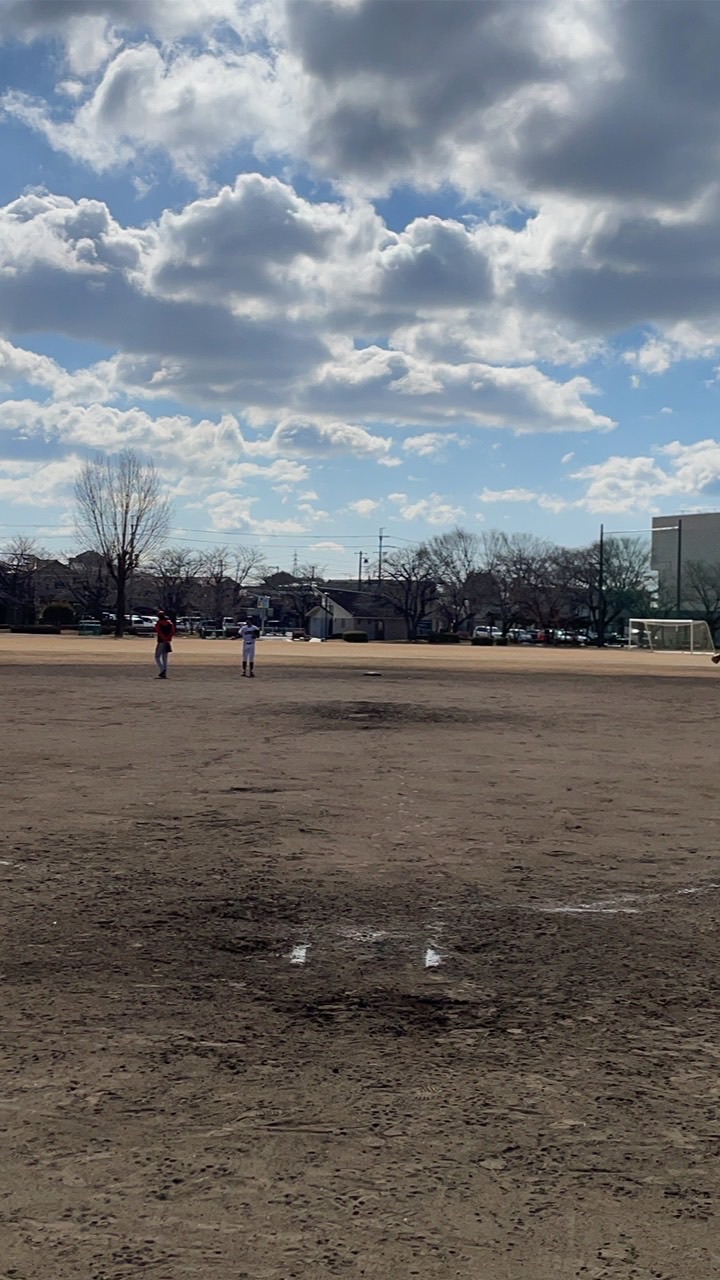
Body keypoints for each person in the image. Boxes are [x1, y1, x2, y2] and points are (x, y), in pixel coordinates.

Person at [154, 610, 175, 679]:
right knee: (165, 657)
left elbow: (159, 632)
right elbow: (172, 632)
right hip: (168, 642)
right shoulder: (170, 623)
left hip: (161, 641)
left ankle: (162, 669)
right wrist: (167, 639)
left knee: (157, 656)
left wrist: (164, 639)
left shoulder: (158, 623)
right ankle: (164, 671)